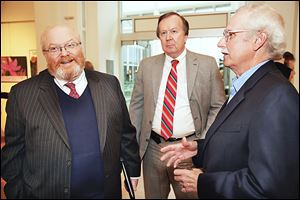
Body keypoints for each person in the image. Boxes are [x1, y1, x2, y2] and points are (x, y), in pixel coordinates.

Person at [160, 4, 299, 199]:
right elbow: (240, 143)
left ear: (258, 40)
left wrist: (202, 182)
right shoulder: (250, 85)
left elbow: (269, 186)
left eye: (230, 35)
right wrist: (200, 148)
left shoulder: (277, 97)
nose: (220, 43)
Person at [1, 25, 141, 199]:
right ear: (45, 53)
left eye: (70, 45)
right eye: (54, 48)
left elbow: (126, 134)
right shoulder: (22, 95)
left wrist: (133, 170)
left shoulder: (109, 84)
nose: (64, 53)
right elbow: (12, 155)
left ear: (81, 46)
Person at [129, 12, 226, 199]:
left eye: (174, 31)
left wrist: (201, 142)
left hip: (187, 149)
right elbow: (137, 108)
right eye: (163, 33)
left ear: (186, 35)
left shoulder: (207, 64)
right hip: (153, 150)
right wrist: (132, 150)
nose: (168, 37)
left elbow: (218, 106)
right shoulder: (146, 65)